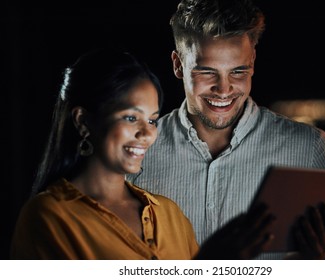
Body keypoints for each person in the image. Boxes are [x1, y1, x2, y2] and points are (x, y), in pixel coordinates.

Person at [127, 0, 325, 259]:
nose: (224, 90)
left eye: (237, 72)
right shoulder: (135, 152)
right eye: (207, 72)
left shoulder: (308, 150)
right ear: (178, 65)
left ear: (253, 61)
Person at [10, 48, 275, 260]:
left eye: (151, 120)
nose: (147, 134)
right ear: (83, 121)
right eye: (130, 118)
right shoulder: (49, 217)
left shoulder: (169, 215)